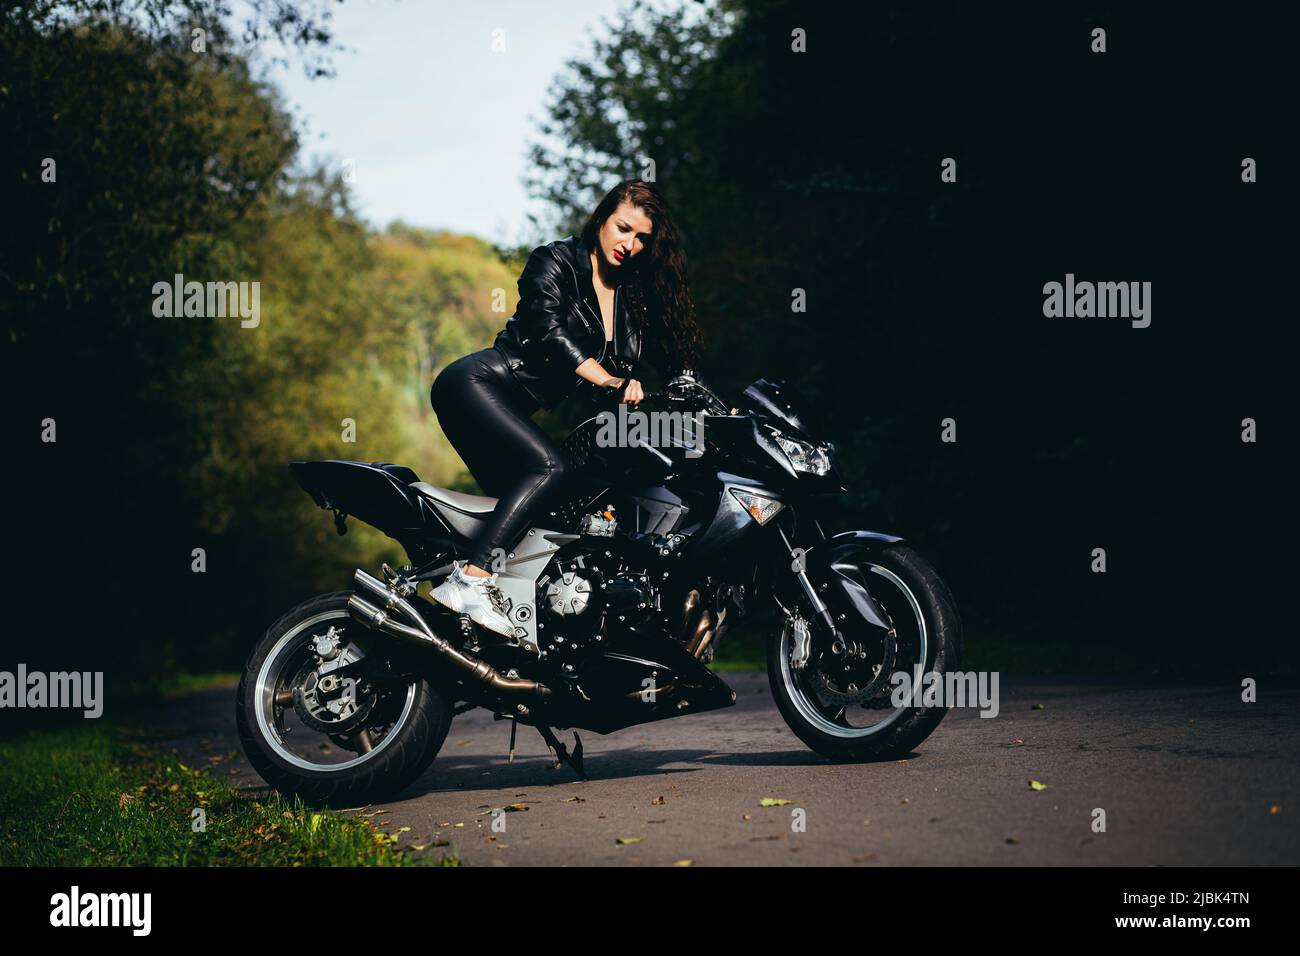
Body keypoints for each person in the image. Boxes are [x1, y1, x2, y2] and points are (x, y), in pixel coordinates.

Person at [428, 179, 702, 635]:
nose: (629, 244)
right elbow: (549, 332)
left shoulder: (629, 302)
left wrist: (711, 412)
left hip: (509, 408)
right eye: (623, 228)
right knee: (550, 469)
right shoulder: (554, 260)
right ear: (601, 219)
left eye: (641, 239)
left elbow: (665, 367)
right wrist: (609, 379)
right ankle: (468, 582)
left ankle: (511, 623)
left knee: (547, 513)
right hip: (474, 384)